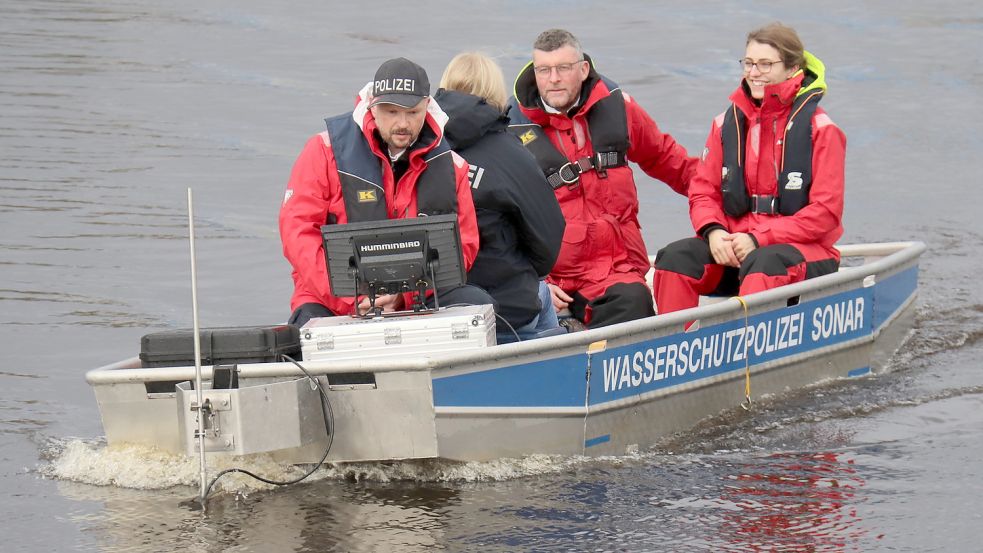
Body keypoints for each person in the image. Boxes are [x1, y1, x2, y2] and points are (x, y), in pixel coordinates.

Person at [279, 57, 494, 327]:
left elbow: (463, 246)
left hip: (418, 298)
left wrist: (405, 296)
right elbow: (298, 233)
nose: (402, 123)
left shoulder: (452, 166)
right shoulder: (323, 151)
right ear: (373, 105)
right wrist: (351, 298)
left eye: (413, 113)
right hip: (330, 300)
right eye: (392, 112)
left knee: (478, 305)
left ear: (427, 107)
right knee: (307, 333)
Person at [508, 29, 697, 329]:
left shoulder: (617, 108)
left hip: (617, 270)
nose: (553, 78)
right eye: (544, 70)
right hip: (554, 279)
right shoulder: (510, 131)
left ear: (583, 70)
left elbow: (668, 160)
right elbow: (497, 221)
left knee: (634, 302)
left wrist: (723, 209)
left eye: (563, 68)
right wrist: (535, 283)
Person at [652, 23, 845, 315]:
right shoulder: (724, 124)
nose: (754, 73)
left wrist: (758, 238)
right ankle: (674, 348)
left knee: (763, 264)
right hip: (736, 246)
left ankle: (749, 355)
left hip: (803, 250)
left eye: (766, 64)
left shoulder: (821, 130)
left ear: (792, 68)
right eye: (749, 63)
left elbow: (826, 214)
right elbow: (703, 192)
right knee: (674, 260)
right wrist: (714, 231)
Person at [434, 52, 566, 342]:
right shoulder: (513, 156)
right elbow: (549, 236)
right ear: (495, 91)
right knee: (541, 289)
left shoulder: (424, 148)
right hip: (506, 309)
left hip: (437, 306)